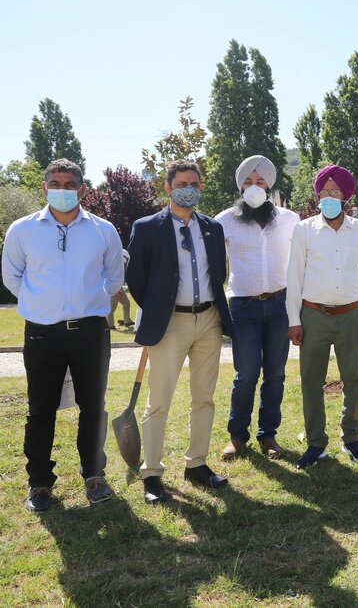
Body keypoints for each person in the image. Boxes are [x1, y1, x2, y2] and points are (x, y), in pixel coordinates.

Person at [2, 159, 122, 512]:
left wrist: (87, 301)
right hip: (42, 334)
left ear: (82, 189)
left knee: (93, 407)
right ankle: (39, 482)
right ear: (44, 187)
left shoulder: (103, 230)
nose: (62, 190)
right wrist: (42, 304)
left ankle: (94, 475)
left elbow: (114, 278)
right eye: (55, 183)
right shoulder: (22, 229)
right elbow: (12, 277)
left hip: (90, 332)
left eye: (70, 185)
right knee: (40, 410)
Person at [126, 160, 233, 504]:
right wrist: (158, 310)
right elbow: (136, 279)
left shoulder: (212, 228)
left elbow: (219, 274)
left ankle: (196, 464)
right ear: (168, 187)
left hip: (209, 321)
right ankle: (152, 473)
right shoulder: (147, 228)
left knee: (204, 397)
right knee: (159, 400)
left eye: (194, 184)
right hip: (169, 323)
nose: (189, 189)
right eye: (182, 183)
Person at [287, 164, 358, 468]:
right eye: (324, 192)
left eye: (335, 192)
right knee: (311, 380)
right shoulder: (304, 230)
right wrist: (294, 319)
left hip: (351, 315)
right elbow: (294, 276)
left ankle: (352, 439)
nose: (328, 197)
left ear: (345, 197)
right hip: (313, 315)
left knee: (352, 379)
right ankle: (316, 443)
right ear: (317, 196)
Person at [215, 155, 299, 461]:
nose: (254, 187)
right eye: (248, 182)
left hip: (279, 305)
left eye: (260, 181)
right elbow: (214, 266)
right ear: (240, 186)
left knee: (275, 374)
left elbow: (300, 264)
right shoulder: (224, 220)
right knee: (247, 374)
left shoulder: (290, 220)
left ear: (269, 185)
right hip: (243, 307)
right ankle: (237, 436)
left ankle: (268, 435)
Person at [107, 249, 133, 329]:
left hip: (117, 288)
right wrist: (118, 291)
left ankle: (127, 321)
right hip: (114, 289)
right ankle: (110, 325)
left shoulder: (116, 264)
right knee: (111, 308)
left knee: (126, 303)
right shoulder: (116, 266)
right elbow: (114, 279)